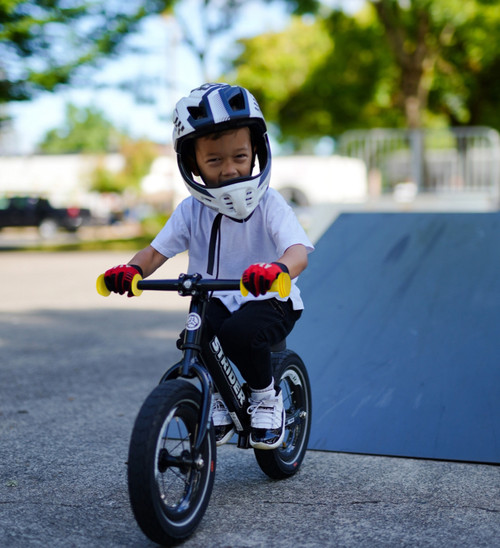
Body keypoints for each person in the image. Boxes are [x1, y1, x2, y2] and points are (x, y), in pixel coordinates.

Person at [102, 83, 314, 450]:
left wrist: (277, 269)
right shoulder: (190, 211)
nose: (230, 169)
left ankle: (266, 397)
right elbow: (155, 253)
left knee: (239, 335)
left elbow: (298, 251)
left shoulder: (270, 204)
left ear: (257, 152)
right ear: (193, 164)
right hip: (213, 298)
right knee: (195, 339)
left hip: (270, 298)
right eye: (214, 160)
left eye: (239, 156)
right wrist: (132, 271)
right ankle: (216, 398)